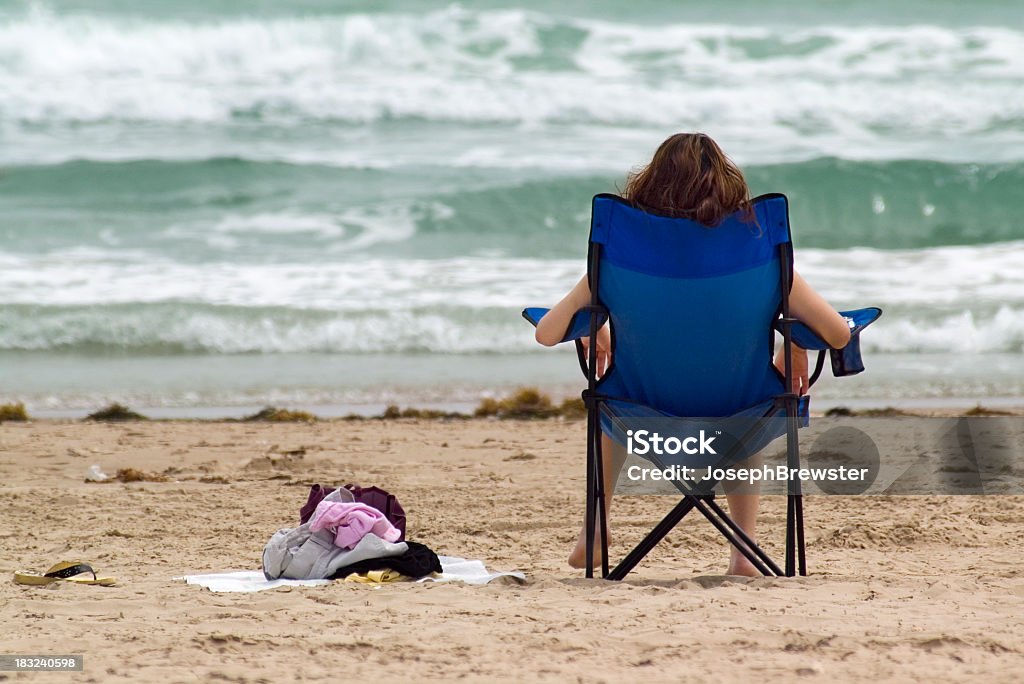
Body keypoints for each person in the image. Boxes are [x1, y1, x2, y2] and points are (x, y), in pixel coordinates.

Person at [534, 133, 852, 576]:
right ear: (727, 186)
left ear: (648, 185)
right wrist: (794, 342)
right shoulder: (759, 251)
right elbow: (837, 334)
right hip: (738, 411)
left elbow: (548, 333)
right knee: (753, 398)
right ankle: (743, 553)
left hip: (643, 412)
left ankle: (596, 530)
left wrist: (594, 325)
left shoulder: (614, 258)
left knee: (610, 395)